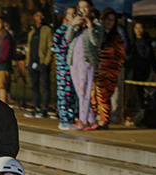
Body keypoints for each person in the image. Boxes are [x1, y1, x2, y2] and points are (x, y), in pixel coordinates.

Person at [66, 0, 104, 130]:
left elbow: (97, 42)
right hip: (73, 60)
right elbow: (68, 38)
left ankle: (83, 119)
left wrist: (90, 26)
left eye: (85, 7)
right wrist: (72, 25)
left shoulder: (97, 23)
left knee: (85, 91)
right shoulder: (77, 23)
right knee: (79, 91)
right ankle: (91, 119)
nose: (83, 10)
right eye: (80, 7)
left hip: (87, 60)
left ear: (91, 8)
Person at [92, 8, 126, 129]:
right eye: (107, 19)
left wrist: (115, 70)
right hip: (95, 71)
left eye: (112, 20)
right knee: (94, 96)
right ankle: (97, 118)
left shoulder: (117, 38)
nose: (109, 22)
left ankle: (104, 120)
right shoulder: (97, 34)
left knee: (103, 96)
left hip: (109, 72)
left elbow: (121, 56)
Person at [51, 7, 78, 130]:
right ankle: (63, 119)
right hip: (63, 66)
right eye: (69, 14)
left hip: (75, 66)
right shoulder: (61, 30)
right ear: (66, 16)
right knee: (64, 93)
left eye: (74, 14)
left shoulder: (78, 31)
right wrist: (65, 49)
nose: (72, 16)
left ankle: (71, 118)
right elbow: (54, 47)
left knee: (73, 93)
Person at [25, 11, 53, 119]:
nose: (40, 18)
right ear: (34, 17)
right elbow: (29, 47)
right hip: (32, 62)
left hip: (42, 62)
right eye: (37, 16)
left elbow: (50, 46)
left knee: (45, 85)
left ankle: (44, 108)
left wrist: (46, 62)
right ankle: (36, 107)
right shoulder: (32, 32)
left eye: (42, 16)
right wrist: (28, 62)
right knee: (34, 86)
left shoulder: (47, 30)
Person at [127, 22, 156, 109]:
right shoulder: (132, 42)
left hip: (145, 69)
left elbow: (152, 56)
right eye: (137, 28)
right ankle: (141, 107)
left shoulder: (147, 42)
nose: (139, 30)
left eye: (140, 28)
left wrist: (155, 69)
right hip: (135, 70)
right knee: (138, 89)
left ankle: (132, 105)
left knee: (140, 89)